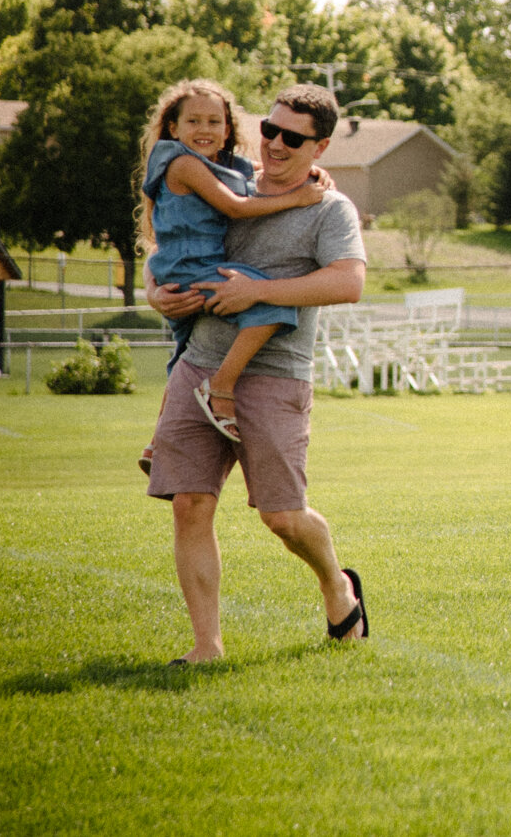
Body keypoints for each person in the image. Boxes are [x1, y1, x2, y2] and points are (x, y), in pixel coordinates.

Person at [145, 84, 370, 661]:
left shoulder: (329, 207)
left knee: (283, 518)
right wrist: (154, 291)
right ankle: (206, 647)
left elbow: (348, 282)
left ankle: (337, 585)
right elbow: (169, 238)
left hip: (275, 376)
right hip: (199, 363)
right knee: (189, 504)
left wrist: (259, 293)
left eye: (292, 137)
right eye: (269, 129)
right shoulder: (229, 178)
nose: (274, 143)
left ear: (319, 148)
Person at [134, 79, 322, 471]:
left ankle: (156, 443)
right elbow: (236, 207)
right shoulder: (183, 164)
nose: (204, 130)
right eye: (194, 121)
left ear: (227, 128)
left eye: (214, 122)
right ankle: (222, 385)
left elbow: (253, 170)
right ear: (173, 128)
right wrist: (298, 198)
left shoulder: (215, 162)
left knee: (185, 355)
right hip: (192, 271)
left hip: (184, 271)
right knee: (271, 308)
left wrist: (308, 166)